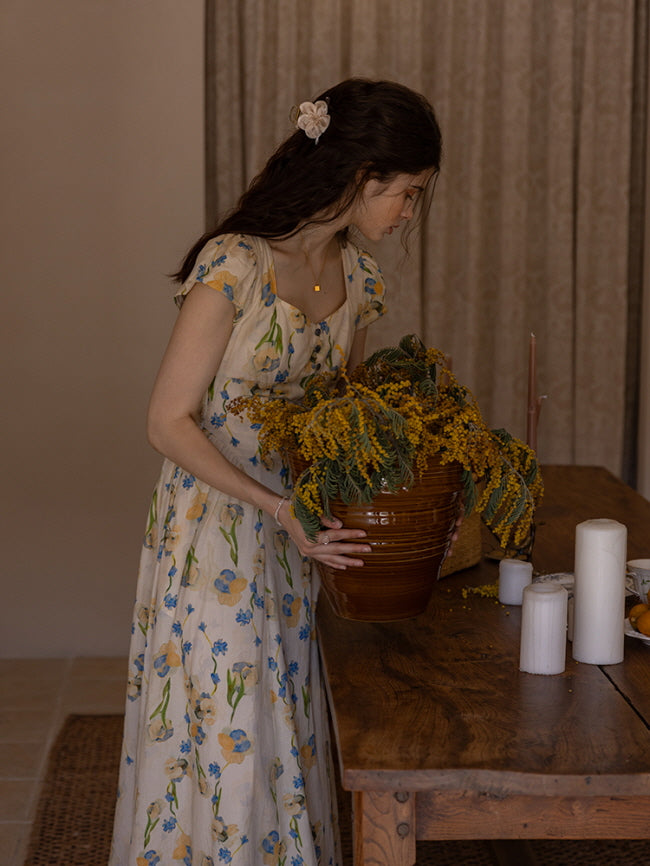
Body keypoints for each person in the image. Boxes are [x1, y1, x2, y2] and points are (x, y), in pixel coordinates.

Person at [109, 78, 442, 866]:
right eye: (408, 194)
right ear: (363, 178)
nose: (409, 214)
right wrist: (275, 504)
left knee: (281, 728)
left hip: (294, 544)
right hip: (213, 542)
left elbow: (341, 432)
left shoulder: (359, 284)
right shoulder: (235, 265)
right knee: (226, 741)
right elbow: (166, 420)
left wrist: (404, 491)